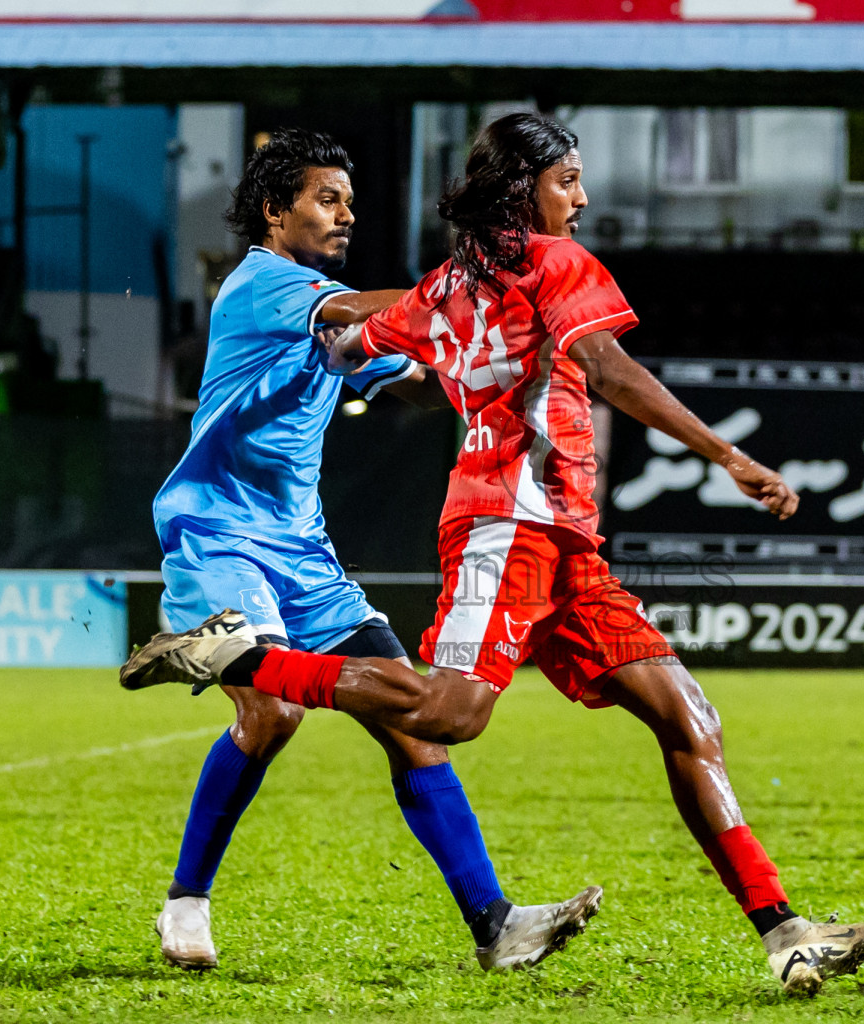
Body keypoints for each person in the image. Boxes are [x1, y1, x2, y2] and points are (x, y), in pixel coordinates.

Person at [125, 113, 864, 995]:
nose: (584, 196)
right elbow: (595, 364)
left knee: (672, 720)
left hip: (447, 542)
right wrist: (725, 455)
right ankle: (190, 880)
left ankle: (774, 932)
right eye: (568, 179)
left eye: (347, 200)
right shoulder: (265, 284)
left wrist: (451, 317)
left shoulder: (478, 283)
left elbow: (378, 351)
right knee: (323, 714)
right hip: (260, 525)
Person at [137, 128, 599, 973]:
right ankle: (186, 903)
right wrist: (484, 292)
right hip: (219, 533)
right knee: (271, 713)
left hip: (303, 552)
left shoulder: (327, 305)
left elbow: (398, 361)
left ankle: (495, 926)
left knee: (413, 724)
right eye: (326, 199)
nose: (346, 214)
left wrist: (488, 366)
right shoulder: (262, 284)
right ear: (275, 211)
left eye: (350, 201)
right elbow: (370, 315)